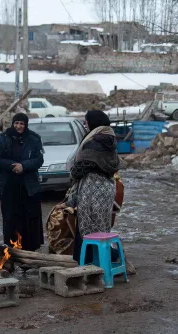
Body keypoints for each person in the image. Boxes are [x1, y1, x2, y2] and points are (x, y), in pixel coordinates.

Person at [55, 110, 120, 263]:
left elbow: (80, 168)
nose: (85, 125)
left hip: (91, 189)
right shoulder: (110, 139)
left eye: (86, 122)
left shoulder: (94, 142)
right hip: (106, 189)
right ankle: (104, 260)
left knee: (88, 229)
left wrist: (73, 172)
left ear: (94, 123)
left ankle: (90, 263)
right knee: (101, 228)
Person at [0, 113, 44, 251]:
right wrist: (13, 166)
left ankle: (29, 250)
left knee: (29, 218)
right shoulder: (3, 138)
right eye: (16, 123)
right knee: (10, 219)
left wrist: (24, 166)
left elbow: (39, 160)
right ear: (12, 123)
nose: (18, 126)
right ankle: (11, 249)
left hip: (28, 187)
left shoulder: (34, 139)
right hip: (9, 186)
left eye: (21, 123)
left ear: (26, 125)